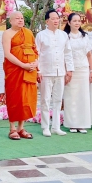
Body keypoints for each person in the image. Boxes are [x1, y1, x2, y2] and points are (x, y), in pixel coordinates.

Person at [36, 9, 74, 137]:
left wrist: (69, 70)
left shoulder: (63, 35)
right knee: (45, 100)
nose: (56, 20)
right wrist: (38, 70)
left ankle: (56, 127)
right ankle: (45, 126)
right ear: (47, 21)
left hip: (60, 72)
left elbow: (68, 53)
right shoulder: (41, 35)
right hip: (46, 72)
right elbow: (37, 54)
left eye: (57, 18)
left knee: (58, 100)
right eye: (53, 18)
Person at [2, 11, 38, 140]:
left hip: (29, 70)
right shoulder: (7, 33)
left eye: (22, 18)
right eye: (17, 18)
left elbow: (35, 50)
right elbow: (7, 54)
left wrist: (35, 63)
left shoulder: (28, 33)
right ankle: (12, 129)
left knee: (26, 99)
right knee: (15, 97)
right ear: (10, 21)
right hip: (15, 70)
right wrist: (23, 65)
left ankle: (21, 128)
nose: (20, 20)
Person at [63, 13, 92, 134]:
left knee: (83, 96)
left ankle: (82, 124)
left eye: (78, 21)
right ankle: (72, 124)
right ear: (69, 22)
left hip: (83, 69)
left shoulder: (85, 36)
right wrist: (66, 71)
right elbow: (63, 55)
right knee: (71, 97)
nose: (77, 23)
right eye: (74, 21)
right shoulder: (65, 36)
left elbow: (89, 55)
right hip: (71, 70)